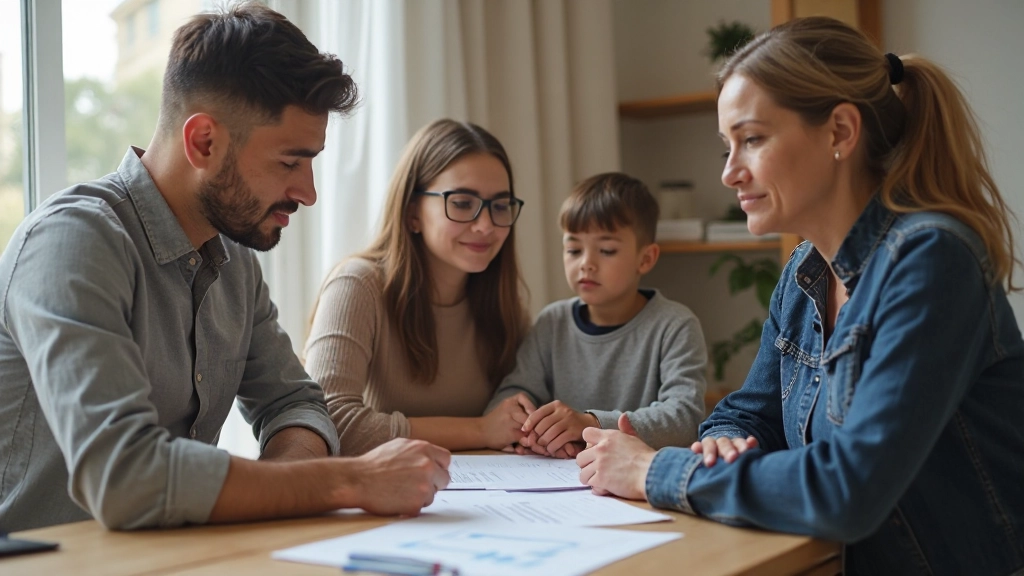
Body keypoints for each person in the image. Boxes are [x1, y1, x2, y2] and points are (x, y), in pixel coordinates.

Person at [576, 16, 1024, 575]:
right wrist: (723, 446)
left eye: (753, 139)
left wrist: (650, 471)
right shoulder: (805, 269)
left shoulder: (932, 261)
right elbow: (748, 411)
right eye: (726, 147)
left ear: (839, 131)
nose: (730, 173)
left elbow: (848, 487)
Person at [0, 3, 450, 533]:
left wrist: (284, 489)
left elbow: (295, 405)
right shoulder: (71, 242)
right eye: (290, 161)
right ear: (203, 142)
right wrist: (347, 480)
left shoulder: (233, 259)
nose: (308, 193)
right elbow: (125, 478)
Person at [305, 118, 534, 456]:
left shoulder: (504, 303)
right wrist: (480, 430)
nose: (486, 225)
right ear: (413, 212)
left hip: (485, 494)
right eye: (462, 203)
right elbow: (329, 422)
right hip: (385, 500)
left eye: (500, 206)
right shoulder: (357, 286)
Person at [487, 172, 707, 459]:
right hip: (559, 475)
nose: (586, 264)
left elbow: (684, 419)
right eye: (574, 249)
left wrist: (589, 424)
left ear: (646, 258)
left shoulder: (675, 325)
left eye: (606, 250)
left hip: (636, 479)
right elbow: (513, 394)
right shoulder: (552, 323)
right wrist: (529, 428)